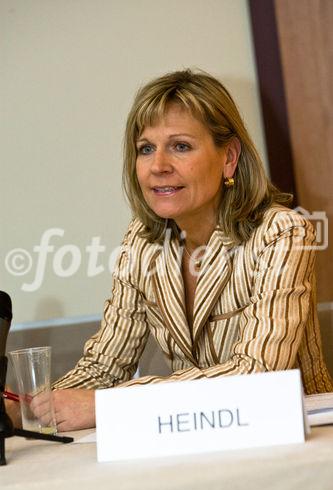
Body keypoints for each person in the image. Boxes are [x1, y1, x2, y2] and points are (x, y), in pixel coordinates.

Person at [26, 69, 333, 430]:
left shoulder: (281, 233)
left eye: (180, 146)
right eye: (145, 149)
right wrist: (28, 407)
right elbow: (105, 367)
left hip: (300, 441)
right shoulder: (142, 240)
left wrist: (113, 405)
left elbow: (258, 374)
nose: (158, 166)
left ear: (229, 158)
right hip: (194, 436)